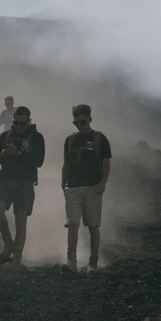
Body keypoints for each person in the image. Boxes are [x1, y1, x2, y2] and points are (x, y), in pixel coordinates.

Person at [0, 105, 45, 266]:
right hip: (5, 179)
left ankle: (17, 258)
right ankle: (8, 242)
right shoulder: (5, 136)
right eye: (16, 123)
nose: (19, 127)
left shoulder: (36, 138)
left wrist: (19, 154)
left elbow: (39, 161)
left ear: (29, 121)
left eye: (22, 123)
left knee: (21, 219)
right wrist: (4, 155)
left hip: (26, 182)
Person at [61, 104, 111, 274]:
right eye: (76, 123)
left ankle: (93, 262)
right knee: (72, 224)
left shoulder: (99, 138)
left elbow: (106, 162)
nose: (79, 126)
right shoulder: (70, 140)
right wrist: (63, 182)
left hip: (93, 187)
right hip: (74, 187)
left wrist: (103, 181)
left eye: (82, 122)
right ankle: (71, 261)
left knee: (93, 226)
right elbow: (67, 162)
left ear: (90, 119)